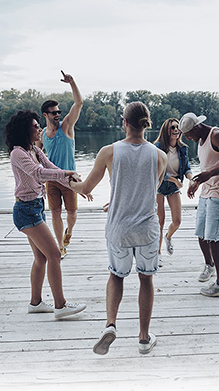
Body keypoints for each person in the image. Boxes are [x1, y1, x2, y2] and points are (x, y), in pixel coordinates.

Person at [70, 101, 167, 355]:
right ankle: (144, 338)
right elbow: (148, 190)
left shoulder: (109, 151)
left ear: (124, 122)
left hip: (119, 229)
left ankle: (110, 324)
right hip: (147, 230)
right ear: (145, 124)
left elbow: (87, 188)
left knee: (116, 275)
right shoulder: (160, 156)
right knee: (146, 279)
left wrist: (72, 184)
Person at [5, 109, 88, 318]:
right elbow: (39, 173)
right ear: (25, 130)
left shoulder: (34, 150)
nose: (39, 128)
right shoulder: (18, 154)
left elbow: (51, 167)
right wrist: (67, 172)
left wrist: (78, 186)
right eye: (35, 126)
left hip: (36, 208)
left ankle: (35, 303)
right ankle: (60, 305)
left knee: (41, 258)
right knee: (54, 255)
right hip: (25, 211)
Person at [179, 112, 219, 297]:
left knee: (213, 238)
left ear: (196, 128)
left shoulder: (217, 135)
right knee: (202, 235)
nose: (188, 138)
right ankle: (210, 265)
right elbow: (208, 166)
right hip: (207, 192)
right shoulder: (200, 139)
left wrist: (209, 174)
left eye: (188, 134)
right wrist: (197, 183)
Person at [36, 71, 83, 258]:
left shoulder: (67, 127)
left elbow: (78, 103)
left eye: (58, 112)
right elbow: (36, 156)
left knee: (71, 214)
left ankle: (69, 232)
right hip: (51, 180)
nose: (58, 115)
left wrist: (72, 83)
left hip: (70, 178)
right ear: (45, 115)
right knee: (55, 212)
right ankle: (60, 246)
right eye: (54, 113)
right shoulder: (41, 135)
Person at [154, 118, 193, 266]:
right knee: (160, 220)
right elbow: (158, 171)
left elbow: (187, 167)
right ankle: (157, 253)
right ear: (166, 130)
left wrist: (190, 178)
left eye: (177, 127)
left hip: (173, 187)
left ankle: (168, 237)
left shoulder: (182, 148)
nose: (176, 130)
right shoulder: (158, 147)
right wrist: (175, 180)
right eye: (173, 128)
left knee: (177, 221)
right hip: (159, 185)